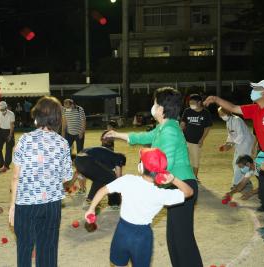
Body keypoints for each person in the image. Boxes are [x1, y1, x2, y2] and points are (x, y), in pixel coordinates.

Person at [104, 87, 202, 267]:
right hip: (172, 185)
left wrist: (144, 185)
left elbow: (165, 166)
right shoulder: (164, 127)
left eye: (155, 103)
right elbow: (142, 136)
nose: (153, 106)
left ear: (162, 109)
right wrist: (117, 135)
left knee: (182, 240)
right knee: (174, 239)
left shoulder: (170, 131)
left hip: (181, 186)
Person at [85, 148, 193, 267]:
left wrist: (91, 209)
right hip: (142, 237)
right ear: (161, 174)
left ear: (140, 167)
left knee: (116, 264)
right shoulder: (161, 194)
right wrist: (173, 179)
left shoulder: (127, 180)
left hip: (122, 231)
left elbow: (103, 190)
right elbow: (189, 192)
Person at [204, 79, 264, 262]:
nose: (253, 91)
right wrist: (216, 98)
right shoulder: (255, 109)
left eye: (257, 88)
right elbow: (233, 107)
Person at [9, 96, 73, 267]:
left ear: (37, 116)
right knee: (48, 248)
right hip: (52, 204)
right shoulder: (63, 143)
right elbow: (67, 177)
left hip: (26, 203)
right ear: (57, 119)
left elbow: (16, 176)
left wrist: (12, 206)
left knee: (25, 247)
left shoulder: (24, 139)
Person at [217, 107, 255, 189]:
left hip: (246, 143)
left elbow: (241, 135)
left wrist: (230, 145)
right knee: (235, 163)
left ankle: (236, 184)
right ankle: (246, 181)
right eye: (220, 115)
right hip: (239, 144)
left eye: (222, 114)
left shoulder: (236, 120)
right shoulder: (228, 122)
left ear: (227, 112)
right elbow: (230, 135)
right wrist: (226, 144)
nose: (221, 116)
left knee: (239, 164)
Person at [180, 94, 213, 177]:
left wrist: (202, 139)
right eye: (190, 103)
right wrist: (179, 134)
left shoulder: (205, 113)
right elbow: (183, 124)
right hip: (185, 140)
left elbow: (207, 127)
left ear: (199, 102)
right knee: (184, 160)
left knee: (195, 161)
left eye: (193, 103)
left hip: (196, 141)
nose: (191, 104)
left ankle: (194, 178)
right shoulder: (187, 111)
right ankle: (186, 176)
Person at [0, 101, 15, 171]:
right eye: (1, 110)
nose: (2, 111)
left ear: (6, 107)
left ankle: (6, 164)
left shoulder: (11, 114)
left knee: (8, 149)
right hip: (0, 131)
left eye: (3, 109)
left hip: (9, 131)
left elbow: (12, 125)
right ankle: (1, 162)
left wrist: (10, 135)